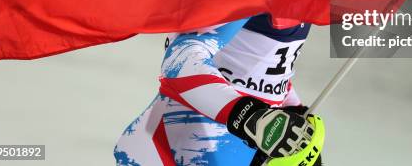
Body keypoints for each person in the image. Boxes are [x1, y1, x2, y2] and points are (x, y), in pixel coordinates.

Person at [114, 14, 323, 166]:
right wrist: (251, 117)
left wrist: (293, 112)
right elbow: (179, 59)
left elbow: (263, 70)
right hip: (183, 146)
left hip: (236, 148)